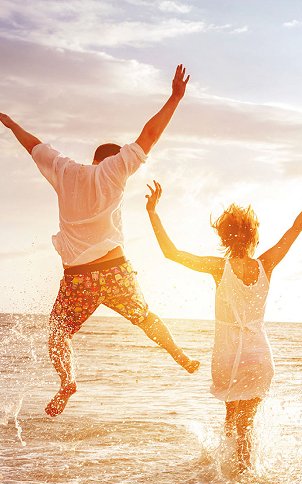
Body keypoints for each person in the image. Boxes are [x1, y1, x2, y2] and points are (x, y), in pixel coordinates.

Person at [0, 65, 198, 417]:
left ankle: (67, 382)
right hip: (115, 270)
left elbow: (34, 145)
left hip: (78, 279)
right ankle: (179, 355)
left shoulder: (64, 171)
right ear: (114, 160)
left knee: (58, 334)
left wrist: (12, 123)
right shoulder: (115, 171)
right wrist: (174, 98)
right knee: (146, 317)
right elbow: (149, 134)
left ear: (94, 159)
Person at [146, 161, 302, 471]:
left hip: (226, 354)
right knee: (247, 421)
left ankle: (231, 476)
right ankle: (242, 482)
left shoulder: (218, 267)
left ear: (223, 238)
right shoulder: (267, 264)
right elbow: (296, 228)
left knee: (232, 416)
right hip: (258, 354)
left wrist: (153, 212)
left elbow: (171, 253)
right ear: (254, 236)